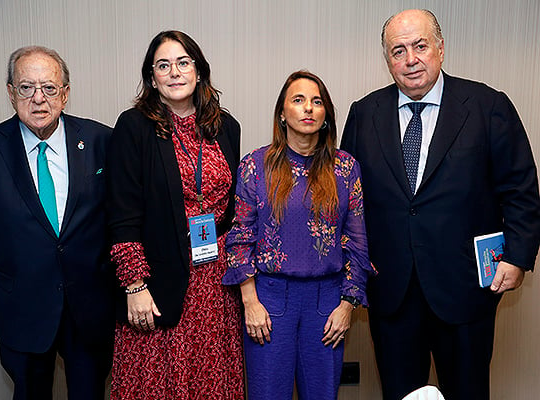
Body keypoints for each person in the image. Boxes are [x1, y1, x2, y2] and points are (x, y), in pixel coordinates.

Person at [340, 9, 540, 400]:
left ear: (441, 48)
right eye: (398, 51)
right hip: (392, 291)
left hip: (464, 289)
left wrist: (516, 257)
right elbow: (349, 200)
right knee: (401, 393)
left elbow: (520, 190)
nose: (410, 59)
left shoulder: (487, 106)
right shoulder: (364, 113)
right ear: (387, 60)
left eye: (420, 46)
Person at [0, 46, 115, 400]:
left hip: (89, 306)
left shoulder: (103, 141)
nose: (38, 99)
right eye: (26, 87)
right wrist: (19, 251)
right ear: (11, 93)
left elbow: (116, 215)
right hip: (23, 307)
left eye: (49, 88)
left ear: (66, 93)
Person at [106, 30, 244, 399]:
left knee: (210, 380)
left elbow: (231, 210)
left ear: (198, 71)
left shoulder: (226, 128)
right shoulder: (134, 126)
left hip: (215, 285)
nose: (175, 72)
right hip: (158, 282)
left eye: (183, 62)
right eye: (163, 65)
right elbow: (122, 215)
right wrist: (135, 286)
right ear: (152, 77)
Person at [223, 70, 375, 400]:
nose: (308, 108)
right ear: (282, 113)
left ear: (325, 116)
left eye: (317, 102)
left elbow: (358, 243)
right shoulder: (255, 165)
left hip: (327, 302)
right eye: (298, 100)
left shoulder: (345, 168)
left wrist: (348, 305)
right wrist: (250, 303)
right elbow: (240, 239)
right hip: (269, 300)